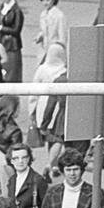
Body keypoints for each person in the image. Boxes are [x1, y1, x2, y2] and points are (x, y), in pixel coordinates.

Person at [30, 43, 68, 172]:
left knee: (50, 137)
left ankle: (52, 161)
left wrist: (32, 109)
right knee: (58, 137)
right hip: (58, 106)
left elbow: (34, 90)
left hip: (43, 104)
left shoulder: (42, 69)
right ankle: (55, 162)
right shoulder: (64, 70)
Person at [5, 143, 48, 208]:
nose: (20, 161)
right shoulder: (12, 180)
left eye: (24, 157)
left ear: (29, 159)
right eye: (16, 158)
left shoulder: (38, 180)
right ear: (11, 161)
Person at [0, 0, 24, 82]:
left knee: (12, 69)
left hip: (12, 44)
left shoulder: (17, 11)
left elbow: (16, 30)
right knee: (3, 68)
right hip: (2, 42)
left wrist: (2, 28)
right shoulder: (3, 7)